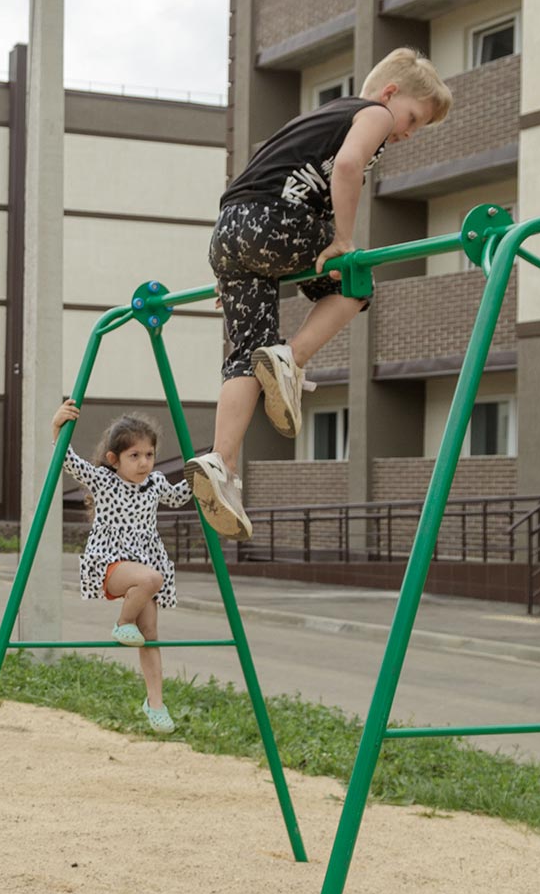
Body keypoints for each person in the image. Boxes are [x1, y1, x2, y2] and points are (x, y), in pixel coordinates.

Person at [186, 48, 454, 540]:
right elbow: (349, 167)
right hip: (275, 221)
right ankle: (291, 357)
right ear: (391, 93)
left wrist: (236, 270)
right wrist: (345, 240)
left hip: (230, 230)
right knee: (355, 282)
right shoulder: (370, 112)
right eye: (414, 118)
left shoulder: (319, 118)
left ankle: (221, 464)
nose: (408, 133)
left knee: (244, 355)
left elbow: (264, 177)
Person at [53, 400, 193, 736]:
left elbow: (177, 498)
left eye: (149, 455)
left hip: (143, 564)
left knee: (151, 638)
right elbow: (67, 462)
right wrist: (57, 428)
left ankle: (155, 703)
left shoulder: (156, 483)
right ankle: (122, 622)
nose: (144, 462)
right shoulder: (104, 480)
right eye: (135, 456)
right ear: (115, 459)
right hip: (111, 563)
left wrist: (202, 475)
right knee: (152, 578)